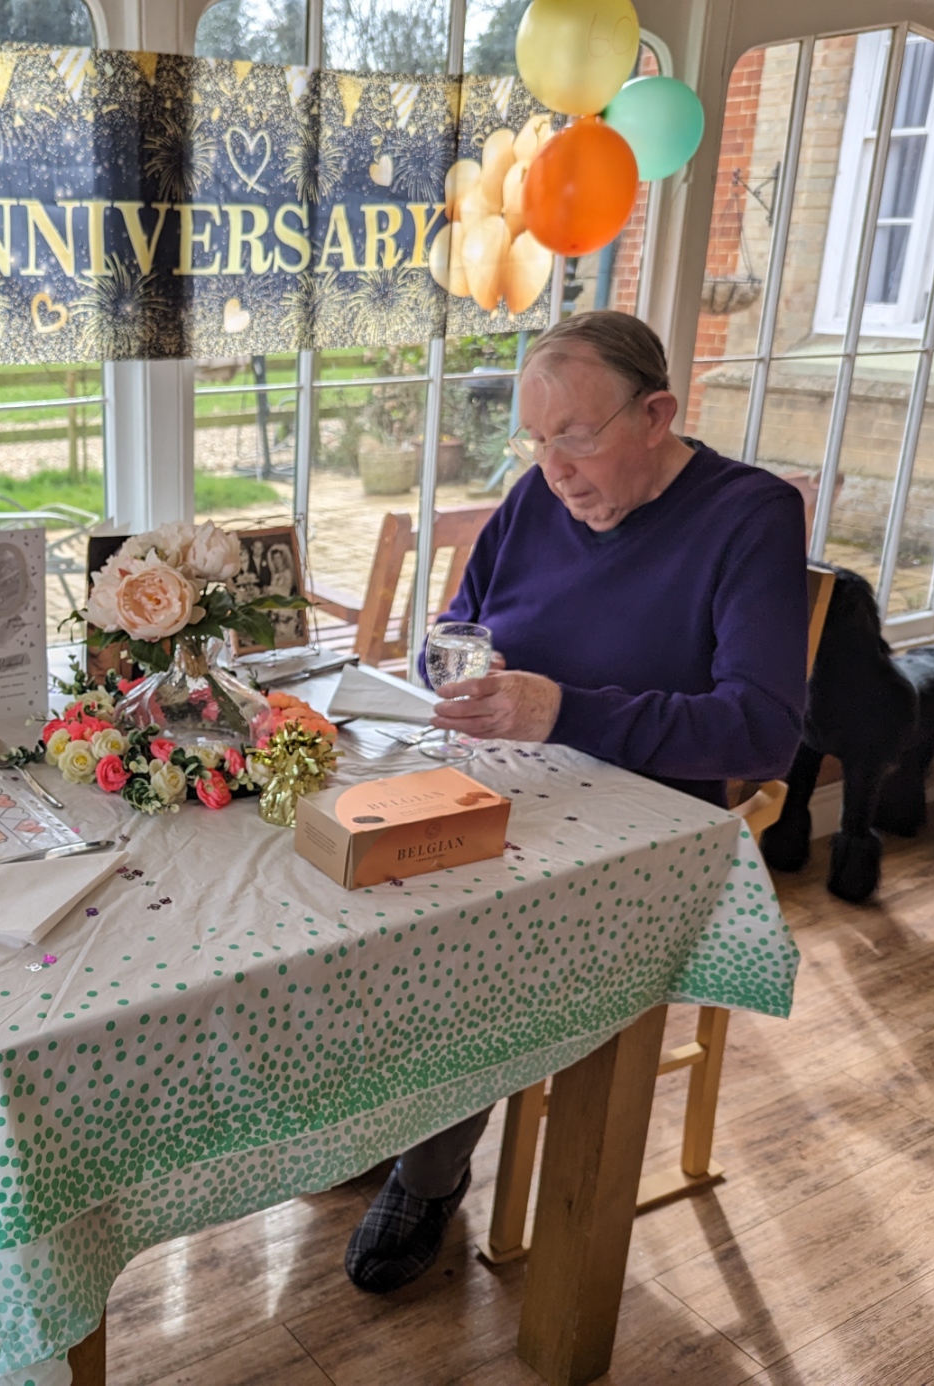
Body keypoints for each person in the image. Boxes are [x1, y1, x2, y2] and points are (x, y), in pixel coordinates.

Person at [345, 310, 809, 1293]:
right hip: (505, 778)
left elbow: (761, 729)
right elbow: (456, 622)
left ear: (655, 415)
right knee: (347, 870)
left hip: (638, 837)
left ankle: (428, 1172)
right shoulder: (535, 498)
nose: (552, 469)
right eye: (536, 440)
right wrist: (460, 666)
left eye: (575, 437)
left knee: (453, 925)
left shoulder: (747, 514)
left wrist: (561, 709)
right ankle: (374, 1116)